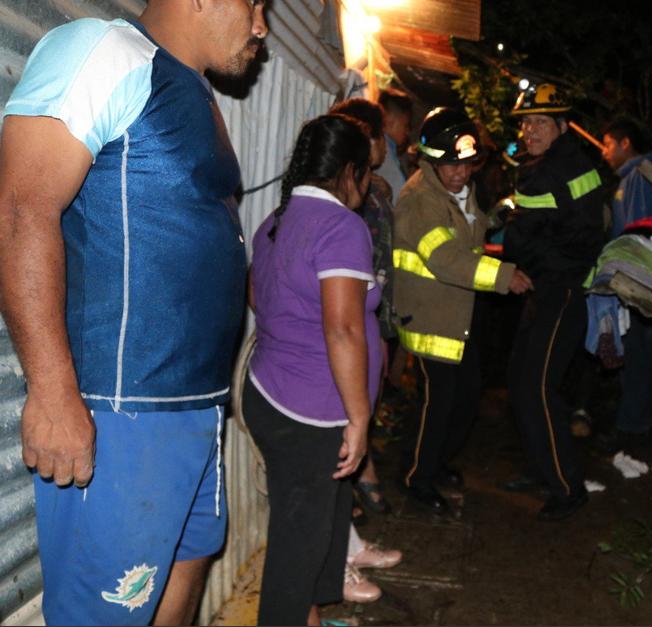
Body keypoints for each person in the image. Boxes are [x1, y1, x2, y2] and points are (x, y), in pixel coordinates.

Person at [0, 2, 267, 624]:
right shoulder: (104, 51)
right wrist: (53, 392)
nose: (261, 25)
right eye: (254, 3)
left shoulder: (192, 91)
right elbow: (20, 211)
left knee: (190, 561)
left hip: (196, 404)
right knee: (108, 611)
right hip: (125, 412)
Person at [244, 114, 377, 626]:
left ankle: (311, 617)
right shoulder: (343, 227)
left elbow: (258, 295)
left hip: (270, 390)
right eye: (364, 173)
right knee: (297, 548)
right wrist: (359, 418)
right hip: (312, 411)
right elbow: (343, 330)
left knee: (314, 524)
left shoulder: (274, 222)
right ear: (349, 172)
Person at [393, 107, 533, 514]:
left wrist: (497, 217)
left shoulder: (456, 190)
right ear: (429, 160)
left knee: (464, 399)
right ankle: (415, 479)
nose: (460, 173)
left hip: (457, 320)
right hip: (430, 322)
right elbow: (448, 260)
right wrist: (505, 276)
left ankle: (434, 464)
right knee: (435, 408)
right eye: (450, 165)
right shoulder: (420, 200)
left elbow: (468, 232)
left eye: (466, 164)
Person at [503, 83, 606, 521]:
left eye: (540, 122)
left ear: (563, 127)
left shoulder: (548, 174)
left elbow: (521, 237)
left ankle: (567, 487)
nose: (529, 131)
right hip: (550, 290)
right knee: (522, 383)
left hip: (558, 293)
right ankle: (542, 468)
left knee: (536, 388)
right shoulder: (572, 164)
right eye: (526, 123)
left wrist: (512, 231)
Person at [329, 97, 396, 516]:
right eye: (381, 135)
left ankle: (358, 476)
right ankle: (356, 480)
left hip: (371, 313)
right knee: (349, 401)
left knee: (360, 398)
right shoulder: (353, 197)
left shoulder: (374, 189)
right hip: (355, 314)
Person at [593, 119, 652, 457]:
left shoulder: (642, 177)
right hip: (630, 279)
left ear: (625, 144)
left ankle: (633, 428)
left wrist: (633, 280)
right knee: (633, 349)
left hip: (639, 281)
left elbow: (641, 232)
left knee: (639, 351)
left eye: (608, 144)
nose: (604, 152)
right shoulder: (629, 179)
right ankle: (631, 420)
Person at [375, 88, 413, 204]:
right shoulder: (384, 154)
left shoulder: (389, 150)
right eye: (405, 125)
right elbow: (401, 198)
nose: (407, 132)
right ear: (389, 120)